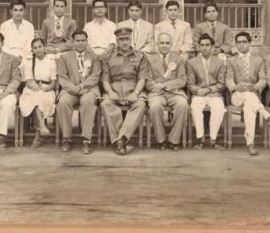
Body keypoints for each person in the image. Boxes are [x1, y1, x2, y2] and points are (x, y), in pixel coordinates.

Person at [100, 27, 149, 155]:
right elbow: (105, 80)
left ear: (131, 39)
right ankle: (120, 141)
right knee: (106, 104)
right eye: (121, 40)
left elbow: (142, 79)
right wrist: (111, 92)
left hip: (134, 89)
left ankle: (121, 139)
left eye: (127, 39)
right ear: (116, 41)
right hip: (114, 89)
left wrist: (136, 93)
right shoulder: (108, 57)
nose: (124, 42)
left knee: (140, 104)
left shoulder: (140, 56)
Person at [226, 31, 270, 156]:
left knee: (249, 104)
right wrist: (236, 86)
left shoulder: (258, 60)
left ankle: (250, 143)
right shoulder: (231, 61)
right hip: (237, 96)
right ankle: (266, 115)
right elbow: (228, 79)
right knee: (249, 97)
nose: (241, 44)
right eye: (238, 42)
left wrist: (255, 86)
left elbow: (263, 79)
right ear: (236, 44)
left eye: (244, 42)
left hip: (252, 95)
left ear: (249, 43)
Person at [56, 30, 101, 154]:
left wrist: (81, 86)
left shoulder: (94, 57)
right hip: (70, 89)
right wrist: (73, 88)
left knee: (87, 101)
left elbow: (95, 76)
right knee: (63, 102)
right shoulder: (64, 57)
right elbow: (62, 77)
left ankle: (87, 140)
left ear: (87, 41)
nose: (80, 43)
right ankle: (67, 138)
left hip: (88, 89)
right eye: (77, 40)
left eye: (83, 40)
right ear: (73, 42)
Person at [144, 32, 188, 151]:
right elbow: (147, 81)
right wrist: (156, 87)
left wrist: (164, 85)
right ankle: (161, 140)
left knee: (183, 105)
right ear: (157, 44)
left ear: (171, 44)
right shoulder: (149, 59)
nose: (164, 45)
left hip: (174, 92)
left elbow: (182, 80)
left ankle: (174, 139)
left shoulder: (178, 59)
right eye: (162, 43)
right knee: (155, 106)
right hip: (156, 93)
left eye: (167, 43)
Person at [186, 33, 227, 149]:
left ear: (212, 47)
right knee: (195, 107)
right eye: (202, 45)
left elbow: (222, 83)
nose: (204, 48)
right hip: (198, 94)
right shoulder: (192, 62)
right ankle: (201, 139)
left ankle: (213, 139)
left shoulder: (220, 62)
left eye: (207, 45)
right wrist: (200, 91)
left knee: (218, 108)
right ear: (199, 47)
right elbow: (190, 84)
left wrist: (208, 90)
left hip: (215, 94)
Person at [19, 38, 57, 149]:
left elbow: (53, 82)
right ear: (32, 49)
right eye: (35, 48)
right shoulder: (29, 61)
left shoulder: (51, 62)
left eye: (40, 47)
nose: (38, 49)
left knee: (39, 99)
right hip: (31, 89)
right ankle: (42, 127)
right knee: (35, 99)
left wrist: (46, 88)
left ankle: (38, 137)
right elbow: (29, 81)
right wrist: (36, 87)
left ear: (45, 47)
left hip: (47, 89)